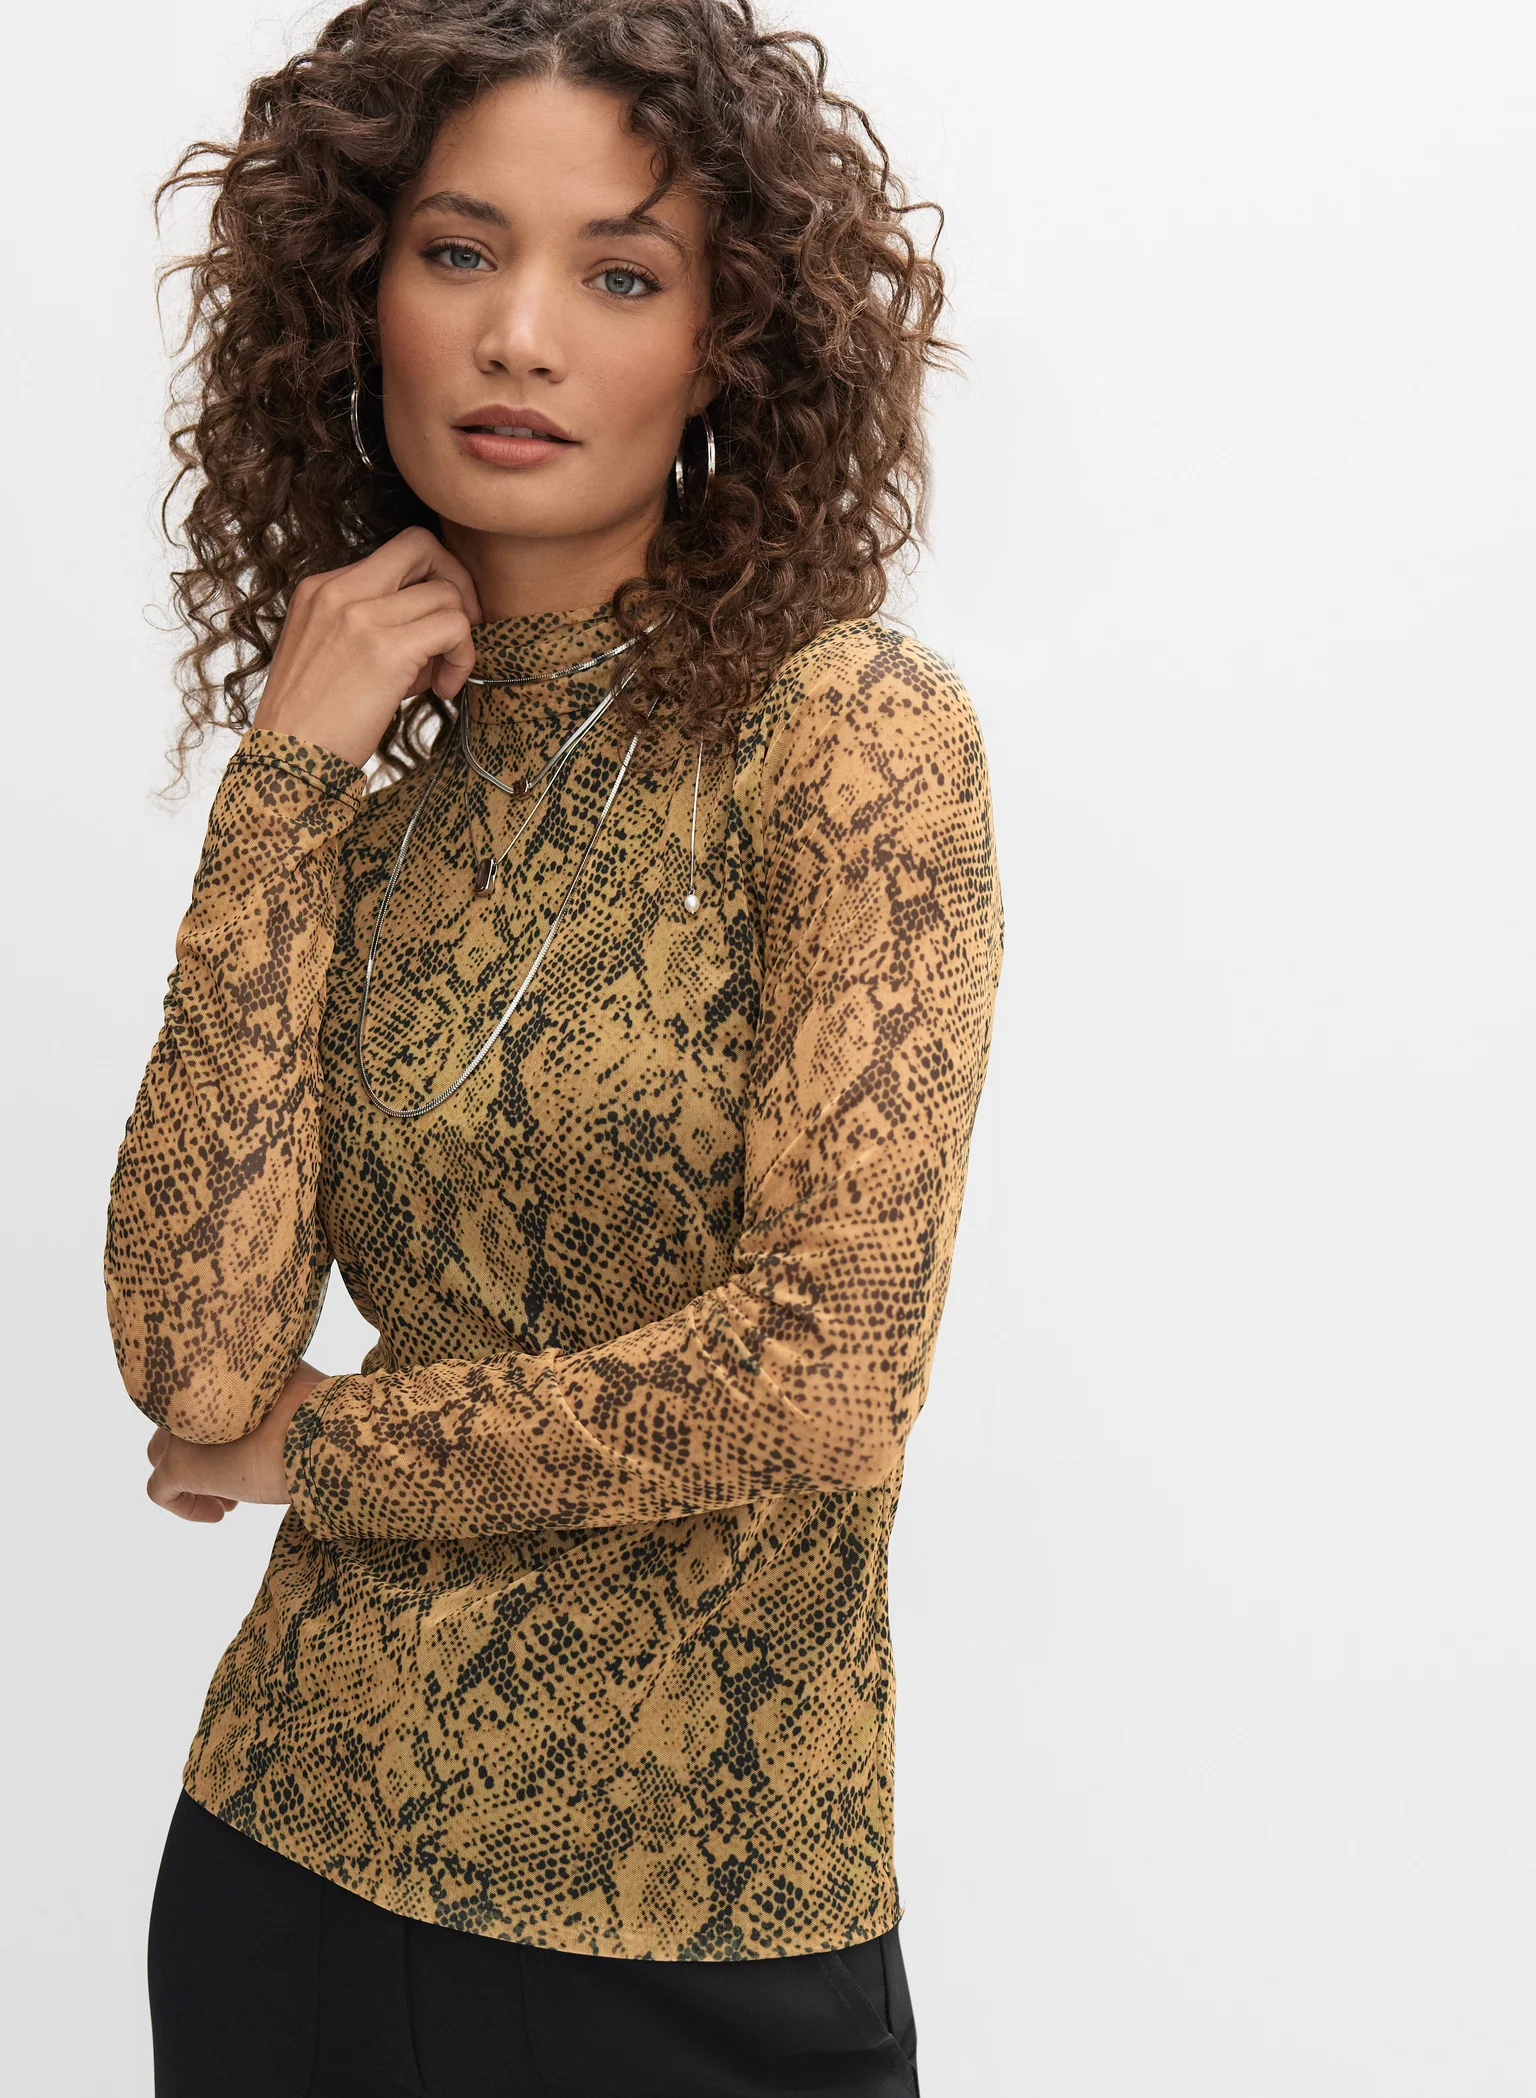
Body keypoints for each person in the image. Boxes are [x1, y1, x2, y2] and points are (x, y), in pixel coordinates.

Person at [104, 2, 1004, 2091]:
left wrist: (328, 1452)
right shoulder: (369, 824)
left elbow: (825, 1377)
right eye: (456, 252)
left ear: (726, 343)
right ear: (357, 303)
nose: (519, 336)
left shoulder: (845, 733)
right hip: (285, 1867)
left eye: (618, 274)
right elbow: (193, 1361)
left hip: (694, 1929)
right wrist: (285, 780)